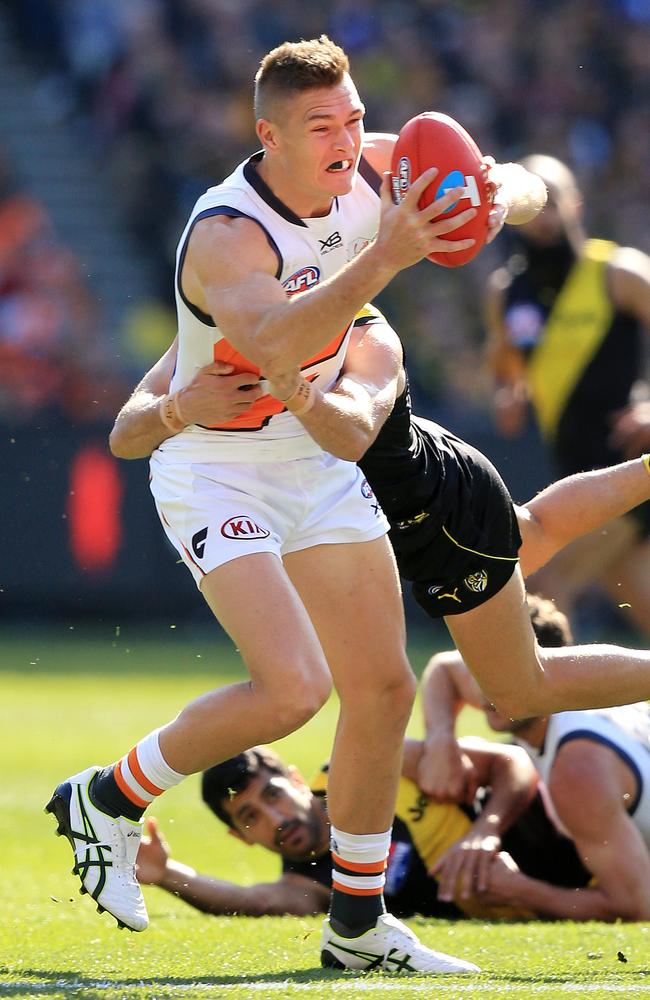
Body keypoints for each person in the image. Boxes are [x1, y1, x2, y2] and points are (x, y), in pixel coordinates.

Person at [45, 34, 531, 975]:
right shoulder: (228, 234)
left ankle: (356, 927)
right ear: (267, 136)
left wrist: (505, 195)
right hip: (216, 466)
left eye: (353, 116)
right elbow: (276, 341)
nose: (349, 138)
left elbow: (508, 181)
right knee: (293, 690)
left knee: (385, 687)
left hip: (310, 461)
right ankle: (106, 796)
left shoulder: (370, 164)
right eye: (323, 125)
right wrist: (386, 257)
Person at [136, 740, 590, 922]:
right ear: (241, 838)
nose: (275, 820)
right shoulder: (309, 885)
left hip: (574, 810)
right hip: (568, 886)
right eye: (251, 817)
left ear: (296, 780)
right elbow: (255, 901)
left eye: (272, 796)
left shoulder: (358, 764)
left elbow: (512, 763)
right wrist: (168, 874)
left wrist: (484, 832)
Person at [485, 154, 650, 638]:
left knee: (547, 587)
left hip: (630, 462)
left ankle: (546, 714)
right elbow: (503, 370)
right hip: (576, 470)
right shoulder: (506, 293)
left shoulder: (616, 272)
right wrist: (508, 395)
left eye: (552, 204)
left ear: (576, 204)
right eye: (531, 209)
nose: (543, 219)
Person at [420, 595, 650, 920]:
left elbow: (635, 906)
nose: (484, 689)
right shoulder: (551, 691)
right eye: (478, 669)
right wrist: (440, 742)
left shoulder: (576, 769)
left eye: (497, 674)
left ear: (536, 672)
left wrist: (517, 889)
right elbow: (444, 668)